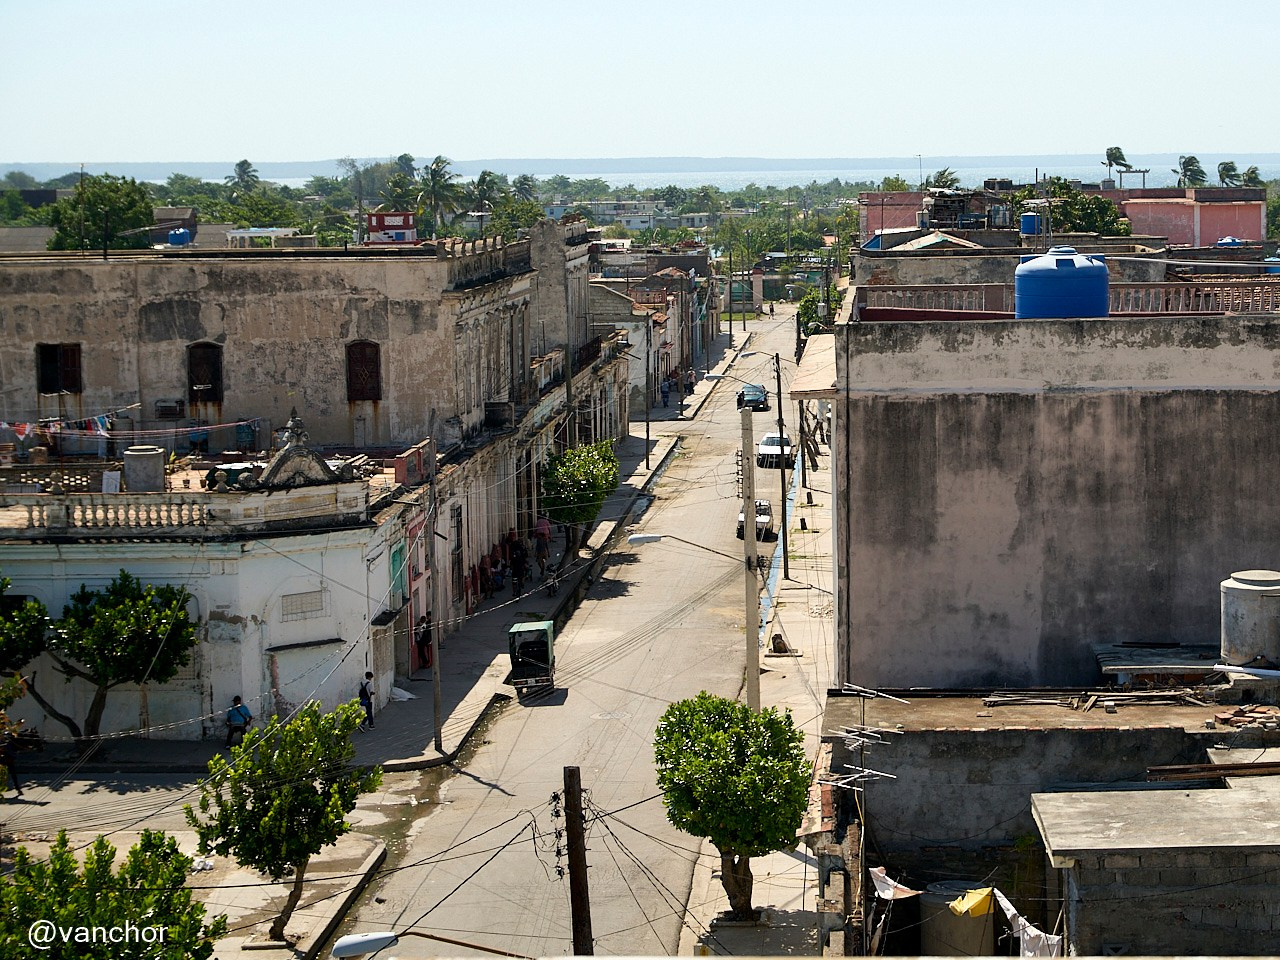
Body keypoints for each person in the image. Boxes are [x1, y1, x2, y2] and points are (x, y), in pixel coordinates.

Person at [0, 733, 22, 798]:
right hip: (3, 759)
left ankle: (17, 787)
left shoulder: (7, 741)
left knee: (13, 773)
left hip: (8, 758)